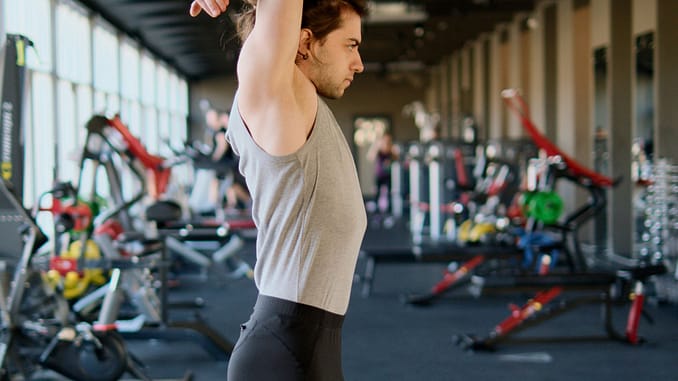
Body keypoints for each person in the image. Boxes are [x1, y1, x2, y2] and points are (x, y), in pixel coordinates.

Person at [190, 1, 368, 380]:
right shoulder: (275, 92)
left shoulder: (304, 107)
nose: (359, 63)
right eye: (350, 45)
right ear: (305, 42)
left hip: (304, 347)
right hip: (286, 352)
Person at [367, 131, 399, 213]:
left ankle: (389, 210)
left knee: (389, 193)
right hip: (379, 174)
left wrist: (392, 150)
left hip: (388, 175)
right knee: (376, 193)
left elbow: (397, 158)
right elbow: (370, 157)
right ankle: (376, 210)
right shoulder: (379, 150)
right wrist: (376, 146)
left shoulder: (391, 150)